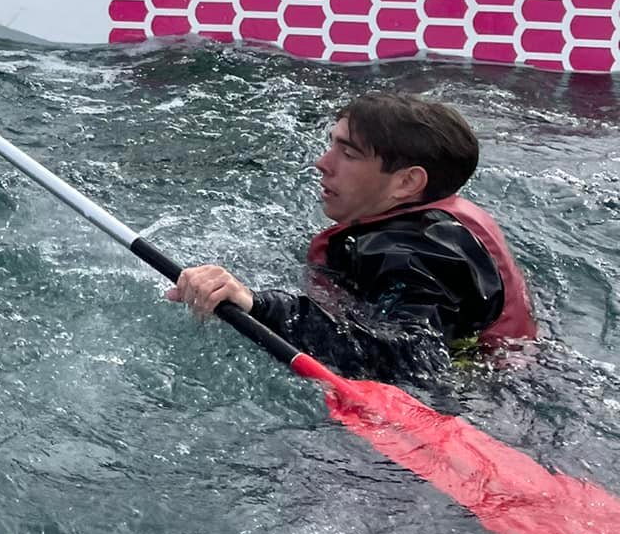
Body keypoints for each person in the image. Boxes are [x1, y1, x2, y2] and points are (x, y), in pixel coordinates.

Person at [166, 93, 536, 381]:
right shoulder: (431, 223)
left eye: (348, 153)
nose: (323, 163)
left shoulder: (416, 252)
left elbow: (409, 359)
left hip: (477, 405)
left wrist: (258, 305)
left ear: (407, 182)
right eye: (332, 145)